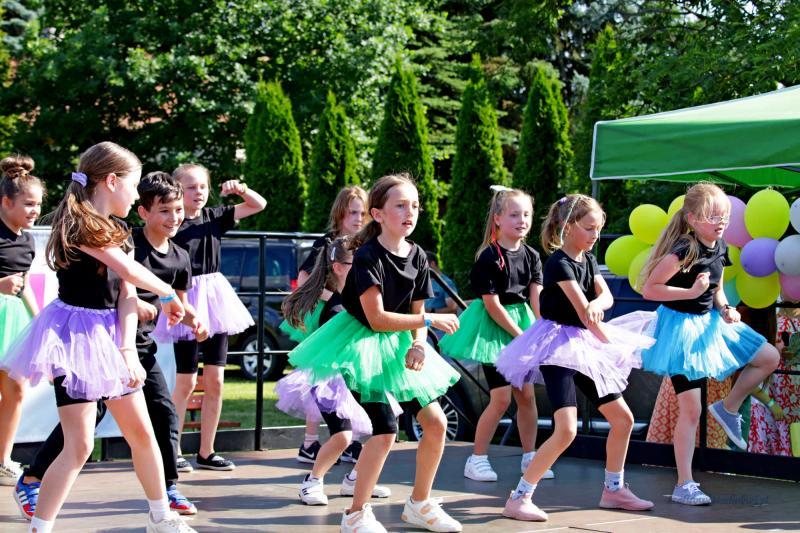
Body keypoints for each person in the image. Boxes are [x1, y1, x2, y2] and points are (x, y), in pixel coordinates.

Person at [0, 142, 193, 533]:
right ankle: (41, 526)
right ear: (111, 181)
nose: (136, 195)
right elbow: (131, 272)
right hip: (75, 339)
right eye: (133, 185)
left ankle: (161, 516)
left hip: (109, 341)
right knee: (79, 444)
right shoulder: (80, 225)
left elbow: (127, 293)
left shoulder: (120, 231)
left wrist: (127, 350)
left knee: (142, 433)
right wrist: (169, 294)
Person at [287, 174, 463, 533]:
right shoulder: (367, 255)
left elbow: (416, 309)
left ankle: (419, 504)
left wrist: (418, 342)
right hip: (359, 345)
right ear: (378, 214)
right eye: (401, 205)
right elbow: (377, 318)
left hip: (398, 343)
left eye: (415, 206)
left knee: (436, 423)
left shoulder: (417, 255)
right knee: (385, 430)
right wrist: (428, 320)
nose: (410, 212)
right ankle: (355, 514)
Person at [496, 194, 655, 521]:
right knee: (566, 429)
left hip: (583, 344)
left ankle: (613, 489)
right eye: (589, 228)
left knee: (622, 419)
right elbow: (583, 312)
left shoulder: (589, 259)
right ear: (568, 227)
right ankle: (519, 497)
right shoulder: (559, 263)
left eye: (598, 229)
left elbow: (604, 296)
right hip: (557, 349)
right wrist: (605, 334)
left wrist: (598, 304)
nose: (595, 235)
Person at [639, 182, 780, 505]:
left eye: (724, 216)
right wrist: (690, 293)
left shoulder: (720, 245)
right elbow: (651, 289)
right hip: (679, 331)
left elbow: (716, 287)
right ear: (692, 219)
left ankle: (728, 408)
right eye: (713, 216)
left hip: (710, 324)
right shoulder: (684, 249)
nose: (721, 222)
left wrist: (726, 308)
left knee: (769, 357)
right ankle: (684, 484)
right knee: (691, 409)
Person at [160, 163, 266, 473]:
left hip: (216, 302)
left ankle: (207, 451)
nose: (198, 192)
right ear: (178, 190)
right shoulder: (172, 222)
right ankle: (173, 450)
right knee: (186, 381)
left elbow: (258, 205)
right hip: (185, 299)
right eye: (191, 187)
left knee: (216, 380)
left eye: (203, 186)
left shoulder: (214, 216)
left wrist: (241, 189)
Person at [439, 186, 549, 482]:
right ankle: (477, 459)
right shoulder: (488, 257)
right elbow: (492, 305)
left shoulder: (532, 256)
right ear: (498, 218)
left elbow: (536, 297)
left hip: (521, 324)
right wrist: (520, 336)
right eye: (514, 215)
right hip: (495, 329)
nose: (521, 220)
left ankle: (530, 457)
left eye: (526, 215)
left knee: (526, 396)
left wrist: (541, 329)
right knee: (500, 398)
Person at [276, 236, 394, 505]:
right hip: (330, 381)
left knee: (382, 430)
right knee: (342, 436)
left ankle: (356, 479)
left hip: (357, 377)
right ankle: (312, 481)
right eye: (357, 264)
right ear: (338, 268)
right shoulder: (335, 308)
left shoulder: (360, 300)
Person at [286, 185, 368, 464]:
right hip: (326, 312)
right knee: (320, 376)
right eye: (353, 212)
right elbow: (304, 279)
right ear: (340, 213)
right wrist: (335, 297)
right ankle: (310, 443)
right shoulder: (327, 242)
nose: (358, 218)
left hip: (351, 313)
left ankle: (348, 439)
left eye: (363, 213)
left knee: (349, 375)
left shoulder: (365, 242)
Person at [0, 155, 42, 485]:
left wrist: (40, 319)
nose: (34, 211)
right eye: (28, 204)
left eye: (38, 205)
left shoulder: (27, 240)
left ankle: (2, 459)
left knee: (15, 392)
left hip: (13, 323)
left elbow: (25, 285)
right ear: (6, 202)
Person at [424, 250, 457, 315]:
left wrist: (432, 311)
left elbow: (452, 308)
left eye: (423, 265)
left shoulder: (447, 283)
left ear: (432, 264)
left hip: (440, 320)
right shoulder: (424, 283)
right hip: (425, 320)